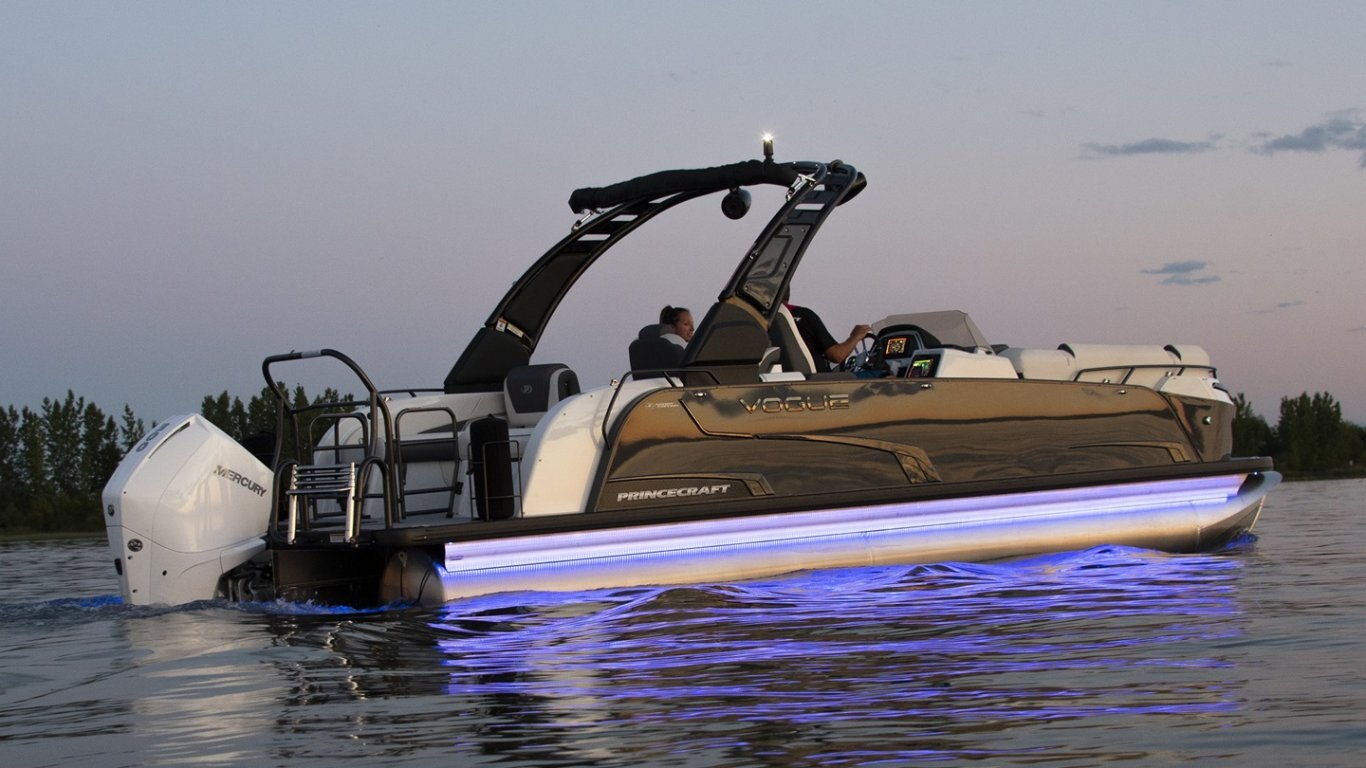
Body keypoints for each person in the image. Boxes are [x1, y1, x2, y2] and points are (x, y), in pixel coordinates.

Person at [786, 300, 870, 372]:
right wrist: (855, 336)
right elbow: (837, 356)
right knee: (876, 375)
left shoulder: (779, 317)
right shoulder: (803, 315)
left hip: (786, 379)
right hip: (817, 380)